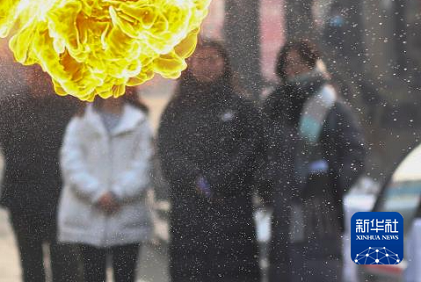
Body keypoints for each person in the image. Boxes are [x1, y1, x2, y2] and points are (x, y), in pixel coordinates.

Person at [157, 39, 262, 282]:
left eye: (213, 59)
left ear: (225, 64)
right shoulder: (176, 109)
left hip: (232, 211)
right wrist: (195, 179)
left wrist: (218, 180)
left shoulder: (241, 107)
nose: (207, 66)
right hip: (189, 213)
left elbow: (251, 151)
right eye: (200, 60)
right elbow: (168, 152)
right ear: (190, 65)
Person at [261, 39, 366, 282]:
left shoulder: (332, 107)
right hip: (284, 207)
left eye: (300, 63)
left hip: (320, 210)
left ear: (313, 64)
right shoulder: (275, 106)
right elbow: (262, 153)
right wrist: (268, 185)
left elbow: (355, 154)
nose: (293, 69)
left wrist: (332, 185)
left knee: (318, 268)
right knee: (286, 267)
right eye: (287, 64)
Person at [0, 63, 81, 282]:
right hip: (23, 198)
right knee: (31, 266)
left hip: (60, 197)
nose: (39, 79)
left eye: (44, 74)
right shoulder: (10, 107)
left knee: (65, 266)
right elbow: (8, 147)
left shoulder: (69, 106)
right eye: (35, 73)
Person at [58, 90, 153, 282]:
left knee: (125, 275)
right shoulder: (81, 120)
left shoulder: (139, 121)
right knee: (92, 276)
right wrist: (97, 194)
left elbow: (144, 164)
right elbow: (71, 163)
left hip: (126, 216)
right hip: (87, 215)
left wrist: (119, 193)